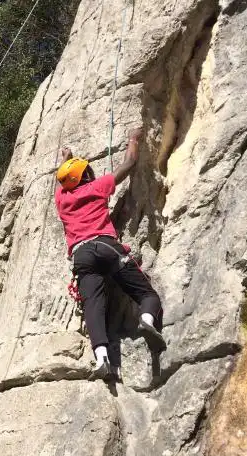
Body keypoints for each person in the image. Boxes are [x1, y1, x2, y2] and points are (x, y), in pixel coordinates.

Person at [54, 128, 166, 381]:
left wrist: (65, 159)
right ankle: (147, 319)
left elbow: (60, 182)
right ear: (85, 175)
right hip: (106, 246)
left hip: (82, 255)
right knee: (146, 293)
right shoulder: (97, 187)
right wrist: (133, 139)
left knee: (94, 305)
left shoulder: (62, 200)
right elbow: (129, 163)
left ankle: (102, 358)